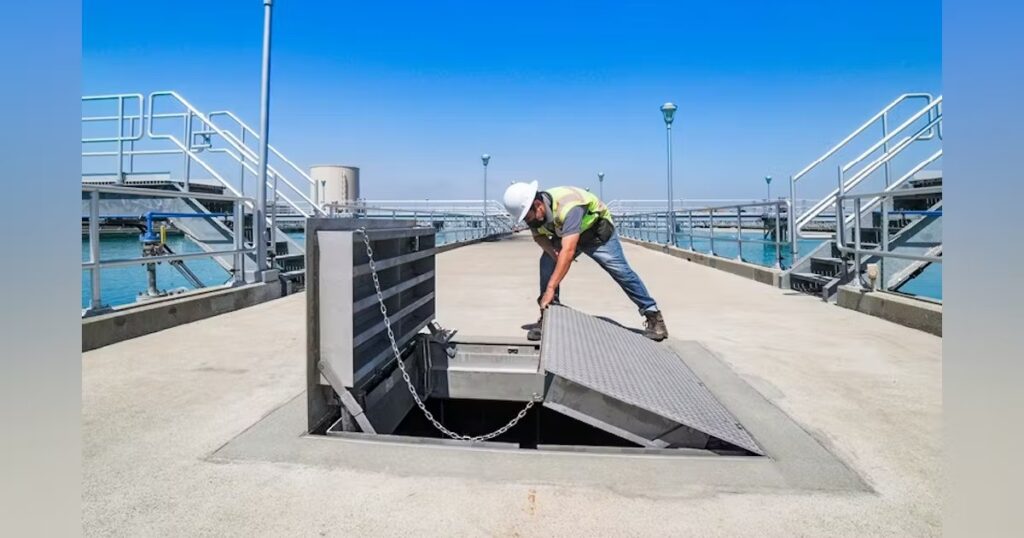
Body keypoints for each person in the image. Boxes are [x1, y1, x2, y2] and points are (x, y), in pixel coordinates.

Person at [502, 180, 668, 341]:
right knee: (546, 263)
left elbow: (568, 250)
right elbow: (539, 237)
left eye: (528, 218)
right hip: (566, 234)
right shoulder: (532, 214)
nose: (528, 222)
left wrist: (551, 287)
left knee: (621, 272)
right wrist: (554, 256)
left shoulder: (569, 206)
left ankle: (653, 316)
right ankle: (549, 314)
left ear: (538, 204)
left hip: (597, 234)